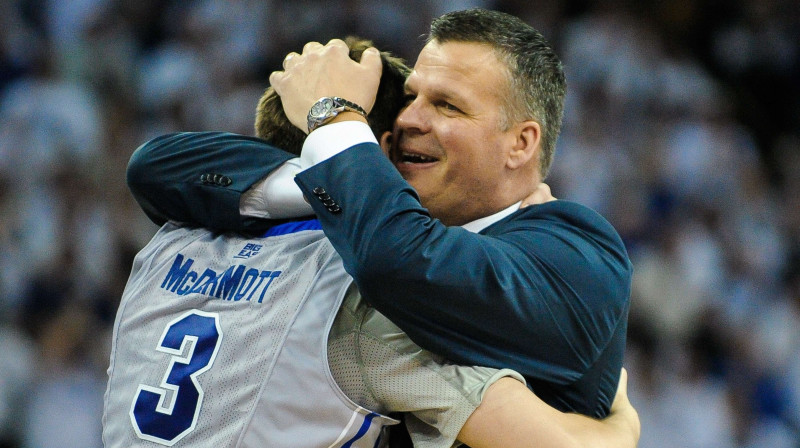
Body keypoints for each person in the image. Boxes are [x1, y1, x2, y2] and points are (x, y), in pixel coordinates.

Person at [109, 38, 640, 448]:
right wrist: (622, 424)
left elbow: (152, 163)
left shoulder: (166, 243)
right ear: (381, 153)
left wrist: (329, 165)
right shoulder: (360, 307)